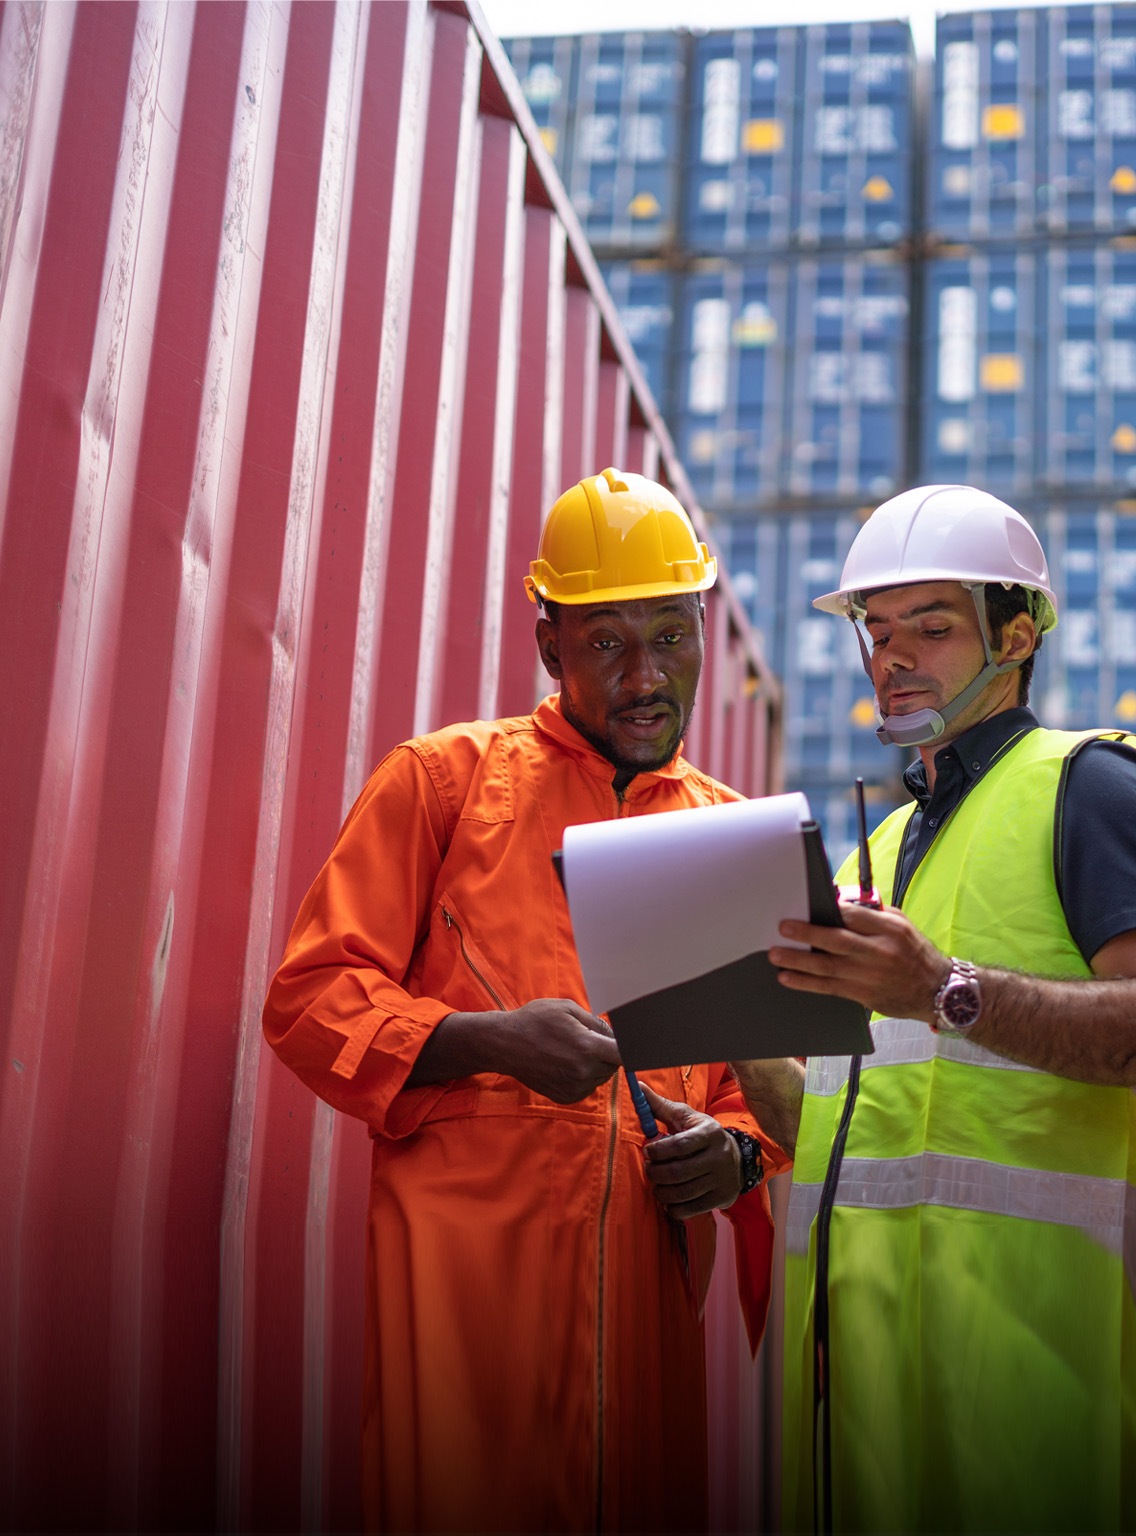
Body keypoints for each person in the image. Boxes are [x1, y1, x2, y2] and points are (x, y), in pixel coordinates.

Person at [263, 468, 787, 1535]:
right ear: (551, 645)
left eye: (673, 637)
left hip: (646, 1349)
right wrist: (483, 1041)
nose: (647, 677)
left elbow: (777, 1105)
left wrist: (731, 1156)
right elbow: (311, 997)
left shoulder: (732, 841)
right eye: (607, 643)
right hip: (459, 1326)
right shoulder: (444, 786)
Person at [728, 484, 1136, 1533]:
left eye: (931, 626)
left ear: (1018, 633)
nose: (890, 656)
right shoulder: (865, 863)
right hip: (853, 1423)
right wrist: (714, 1027)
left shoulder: (1091, 786)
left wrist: (943, 989)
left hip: (1035, 1399)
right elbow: (832, 1130)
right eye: (875, 628)